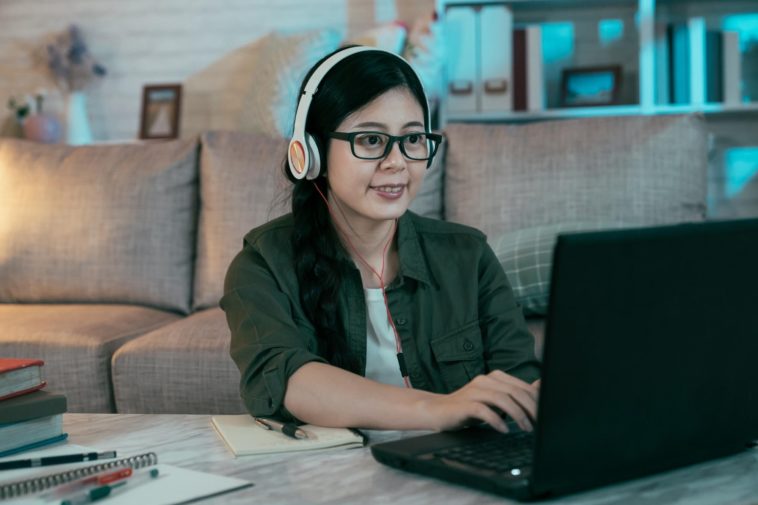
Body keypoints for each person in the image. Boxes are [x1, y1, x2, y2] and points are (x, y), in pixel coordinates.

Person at [221, 46, 540, 434]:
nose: (397, 162)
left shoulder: (469, 256)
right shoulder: (262, 264)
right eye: (371, 140)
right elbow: (287, 378)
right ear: (312, 152)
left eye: (413, 139)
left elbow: (519, 385)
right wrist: (441, 408)